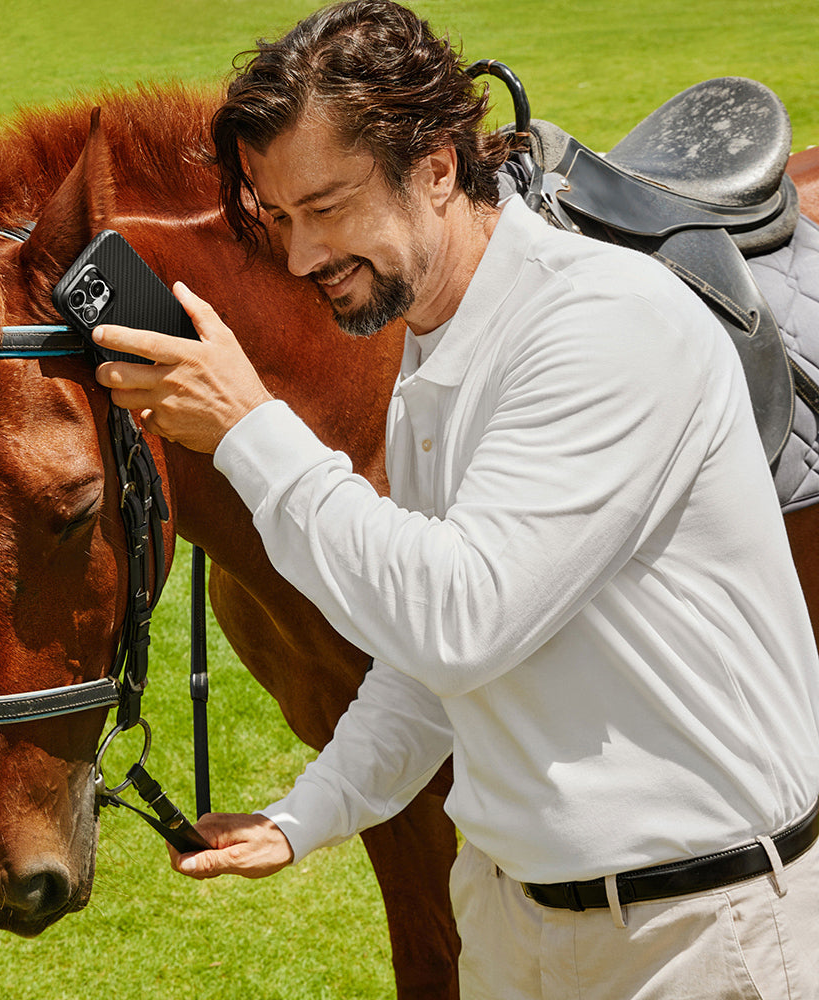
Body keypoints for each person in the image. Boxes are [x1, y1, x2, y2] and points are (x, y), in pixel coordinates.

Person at [93, 2, 819, 995]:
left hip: (694, 936)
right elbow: (428, 669)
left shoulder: (603, 324)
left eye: (327, 207)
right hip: (512, 921)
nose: (302, 257)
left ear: (437, 166)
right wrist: (304, 817)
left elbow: (462, 623)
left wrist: (249, 428)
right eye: (280, 220)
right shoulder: (436, 343)